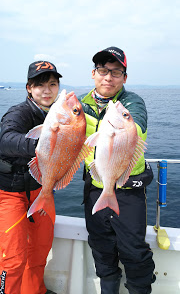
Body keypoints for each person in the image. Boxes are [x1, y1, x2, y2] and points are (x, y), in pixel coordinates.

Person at [79, 46, 156, 294]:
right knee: (101, 248)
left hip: (127, 190)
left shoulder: (132, 103)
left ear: (124, 77)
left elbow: (138, 128)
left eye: (115, 71)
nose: (108, 77)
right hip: (94, 189)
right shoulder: (79, 106)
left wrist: (118, 122)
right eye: (102, 70)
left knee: (134, 250)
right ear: (93, 74)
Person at [0, 60, 62, 294]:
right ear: (29, 88)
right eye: (40, 85)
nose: (47, 90)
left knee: (40, 250)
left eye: (52, 84)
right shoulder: (19, 112)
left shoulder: (58, 114)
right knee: (13, 258)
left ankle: (34, 290)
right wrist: (41, 145)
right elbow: (5, 141)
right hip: (10, 194)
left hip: (40, 189)